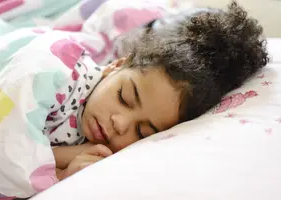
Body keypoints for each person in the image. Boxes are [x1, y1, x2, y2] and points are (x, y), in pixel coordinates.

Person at [51, 1, 269, 180]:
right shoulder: (60, 76)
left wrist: (62, 174)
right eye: (124, 98)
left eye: (141, 133)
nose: (121, 124)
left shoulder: (101, 157)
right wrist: (64, 156)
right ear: (116, 65)